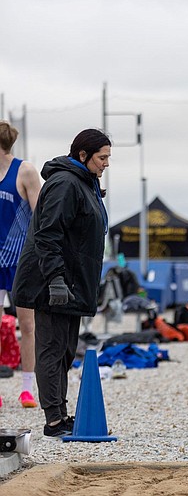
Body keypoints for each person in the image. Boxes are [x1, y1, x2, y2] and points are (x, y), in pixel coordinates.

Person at [11, 129, 111, 439]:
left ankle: (61, 413)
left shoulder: (84, 182)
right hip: (52, 281)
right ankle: (53, 419)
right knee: (52, 348)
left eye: (108, 158)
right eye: (102, 157)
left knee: (67, 349)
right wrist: (55, 279)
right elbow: (47, 233)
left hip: (72, 280)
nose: (107, 164)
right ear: (83, 155)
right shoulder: (65, 183)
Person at [0, 121, 41, 409]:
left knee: (27, 324)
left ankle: (27, 388)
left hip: (21, 259)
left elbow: (41, 214)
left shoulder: (24, 170)